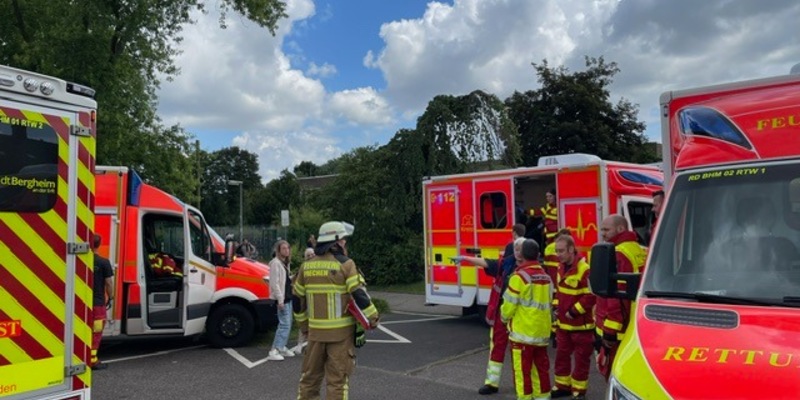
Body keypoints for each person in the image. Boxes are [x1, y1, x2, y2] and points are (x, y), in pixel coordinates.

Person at [293, 221, 379, 400]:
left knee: (309, 380)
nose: (345, 243)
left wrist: (304, 326)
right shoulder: (346, 264)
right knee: (337, 383)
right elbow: (359, 294)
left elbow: (296, 300)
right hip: (340, 337)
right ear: (336, 241)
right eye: (343, 239)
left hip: (315, 335)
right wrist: (373, 316)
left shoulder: (306, 266)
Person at [452, 223, 526, 395]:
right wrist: (466, 259)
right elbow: (487, 263)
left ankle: (522, 386)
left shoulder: (526, 269)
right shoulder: (505, 266)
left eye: (516, 251)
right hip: (503, 314)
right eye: (512, 251)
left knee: (520, 353)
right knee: (497, 348)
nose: (512, 255)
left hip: (519, 317)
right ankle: (492, 383)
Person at [594, 214, 647, 381]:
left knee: (614, 377)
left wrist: (609, 332)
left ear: (620, 229)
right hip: (635, 321)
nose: (602, 233)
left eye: (606, 229)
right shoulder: (640, 250)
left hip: (618, 330)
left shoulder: (617, 254)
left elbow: (616, 296)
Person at [500, 239, 553, 400]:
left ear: (521, 255)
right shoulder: (546, 277)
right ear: (538, 254)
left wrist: (503, 318)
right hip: (541, 333)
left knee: (522, 373)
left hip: (522, 334)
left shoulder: (520, 277)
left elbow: (509, 305)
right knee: (541, 372)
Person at [551, 235, 596, 400]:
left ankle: (578, 391)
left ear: (571, 249)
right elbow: (559, 291)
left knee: (581, 359)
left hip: (581, 326)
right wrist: (556, 307)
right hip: (563, 325)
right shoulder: (560, 267)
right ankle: (562, 386)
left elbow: (591, 296)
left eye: (561, 251)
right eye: (557, 251)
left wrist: (574, 311)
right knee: (561, 356)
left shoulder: (584, 269)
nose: (558, 254)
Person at [267, 240, 295, 361]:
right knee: (284, 324)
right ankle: (275, 349)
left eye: (288, 248)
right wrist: (280, 300)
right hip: (282, 298)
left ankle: (282, 346)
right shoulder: (275, 263)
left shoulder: (285, 263)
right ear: (278, 250)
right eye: (283, 248)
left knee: (288, 322)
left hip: (288, 297)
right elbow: (274, 283)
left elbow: (285, 280)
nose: (286, 250)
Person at [90, 234, 114, 370]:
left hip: (82, 303)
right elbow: (109, 283)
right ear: (99, 244)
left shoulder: (80, 260)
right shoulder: (103, 262)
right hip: (97, 304)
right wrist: (110, 297)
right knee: (96, 332)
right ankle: (93, 360)